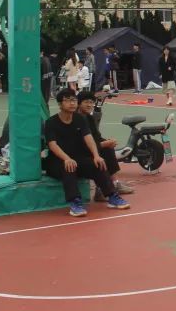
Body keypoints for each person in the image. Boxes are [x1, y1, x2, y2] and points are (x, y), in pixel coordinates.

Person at [43, 89, 129, 217]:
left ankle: (112, 196)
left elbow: (88, 138)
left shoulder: (80, 119)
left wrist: (96, 156)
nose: (72, 103)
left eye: (74, 100)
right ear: (60, 104)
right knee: (69, 167)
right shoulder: (51, 122)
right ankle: (75, 203)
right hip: (57, 161)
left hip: (78, 158)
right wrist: (66, 158)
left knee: (98, 164)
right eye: (68, 100)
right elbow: (52, 144)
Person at [76, 91, 134, 200]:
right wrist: (103, 144)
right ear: (79, 103)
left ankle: (114, 183)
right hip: (80, 151)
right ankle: (102, 189)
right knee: (102, 153)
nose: (89, 105)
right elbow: (80, 143)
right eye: (86, 102)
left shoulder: (89, 118)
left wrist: (108, 142)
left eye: (91, 102)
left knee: (108, 149)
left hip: (91, 147)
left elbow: (96, 136)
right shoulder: (75, 119)